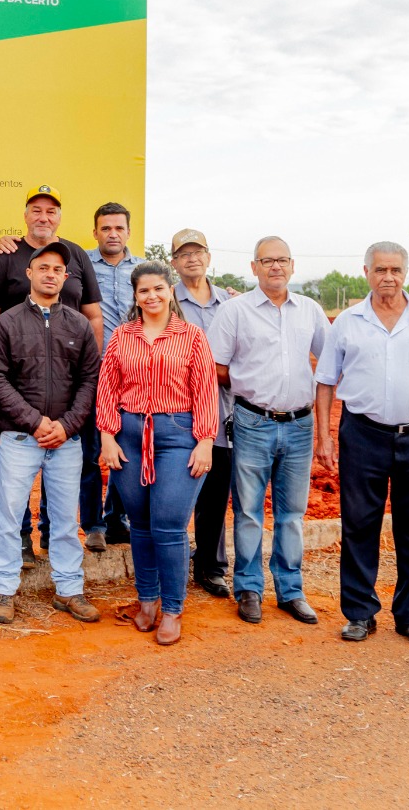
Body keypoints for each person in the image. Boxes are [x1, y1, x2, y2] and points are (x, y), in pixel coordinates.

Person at [314, 242, 409, 647]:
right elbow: (326, 381)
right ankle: (359, 614)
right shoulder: (347, 321)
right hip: (363, 435)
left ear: (406, 273)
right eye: (380, 270)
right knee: (360, 525)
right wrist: (323, 436)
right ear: (366, 272)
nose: (388, 277)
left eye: (395, 270)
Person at [96, 261, 219, 645]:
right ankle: (146, 600)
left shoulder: (193, 337)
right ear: (135, 297)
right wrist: (107, 436)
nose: (151, 296)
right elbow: (107, 388)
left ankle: (172, 608)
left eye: (158, 289)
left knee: (168, 523)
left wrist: (205, 441)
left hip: (178, 434)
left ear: (170, 291)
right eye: (143, 291)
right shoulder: (121, 336)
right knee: (141, 523)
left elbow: (206, 391)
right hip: (129, 434)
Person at [208, 236, 329, 626]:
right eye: (267, 261)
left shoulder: (309, 310)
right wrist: (248, 384)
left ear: (292, 266)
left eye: (282, 260)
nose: (275, 267)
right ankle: (248, 588)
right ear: (254, 267)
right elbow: (216, 366)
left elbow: (331, 361)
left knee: (292, 514)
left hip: (299, 424)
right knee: (247, 511)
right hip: (252, 422)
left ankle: (290, 591)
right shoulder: (235, 311)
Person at [0, 242, 102, 626]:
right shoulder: (8, 323)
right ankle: (4, 591)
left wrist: (66, 426)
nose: (51, 274)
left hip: (66, 441)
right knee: (9, 515)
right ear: (29, 274)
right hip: (20, 438)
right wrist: (35, 422)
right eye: (43, 268)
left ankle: (69, 591)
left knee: (66, 520)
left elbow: (89, 378)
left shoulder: (79, 324)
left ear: (65, 278)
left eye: (57, 269)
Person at [170, 228, 236, 598]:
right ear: (174, 262)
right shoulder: (167, 302)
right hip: (179, 411)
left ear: (209, 257)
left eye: (199, 252)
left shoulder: (230, 303)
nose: (192, 259)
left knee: (215, 493)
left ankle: (211, 568)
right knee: (177, 494)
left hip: (224, 411)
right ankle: (174, 563)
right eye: (184, 254)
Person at [83, 202, 137, 551]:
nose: (113, 234)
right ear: (96, 232)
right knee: (90, 449)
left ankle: (117, 518)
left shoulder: (144, 269)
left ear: (128, 232)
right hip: (92, 369)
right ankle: (93, 525)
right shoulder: (81, 263)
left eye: (119, 228)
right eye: (106, 228)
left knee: (126, 446)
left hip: (133, 374)